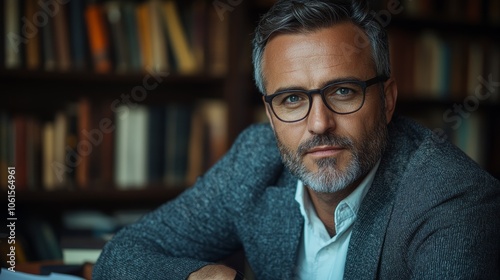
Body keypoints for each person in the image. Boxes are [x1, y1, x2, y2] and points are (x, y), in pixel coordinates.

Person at [93, 0, 500, 279]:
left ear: (387, 100)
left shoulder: (454, 198)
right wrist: (197, 274)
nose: (319, 123)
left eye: (342, 91)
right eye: (291, 99)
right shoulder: (254, 161)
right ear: (270, 114)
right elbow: (121, 254)